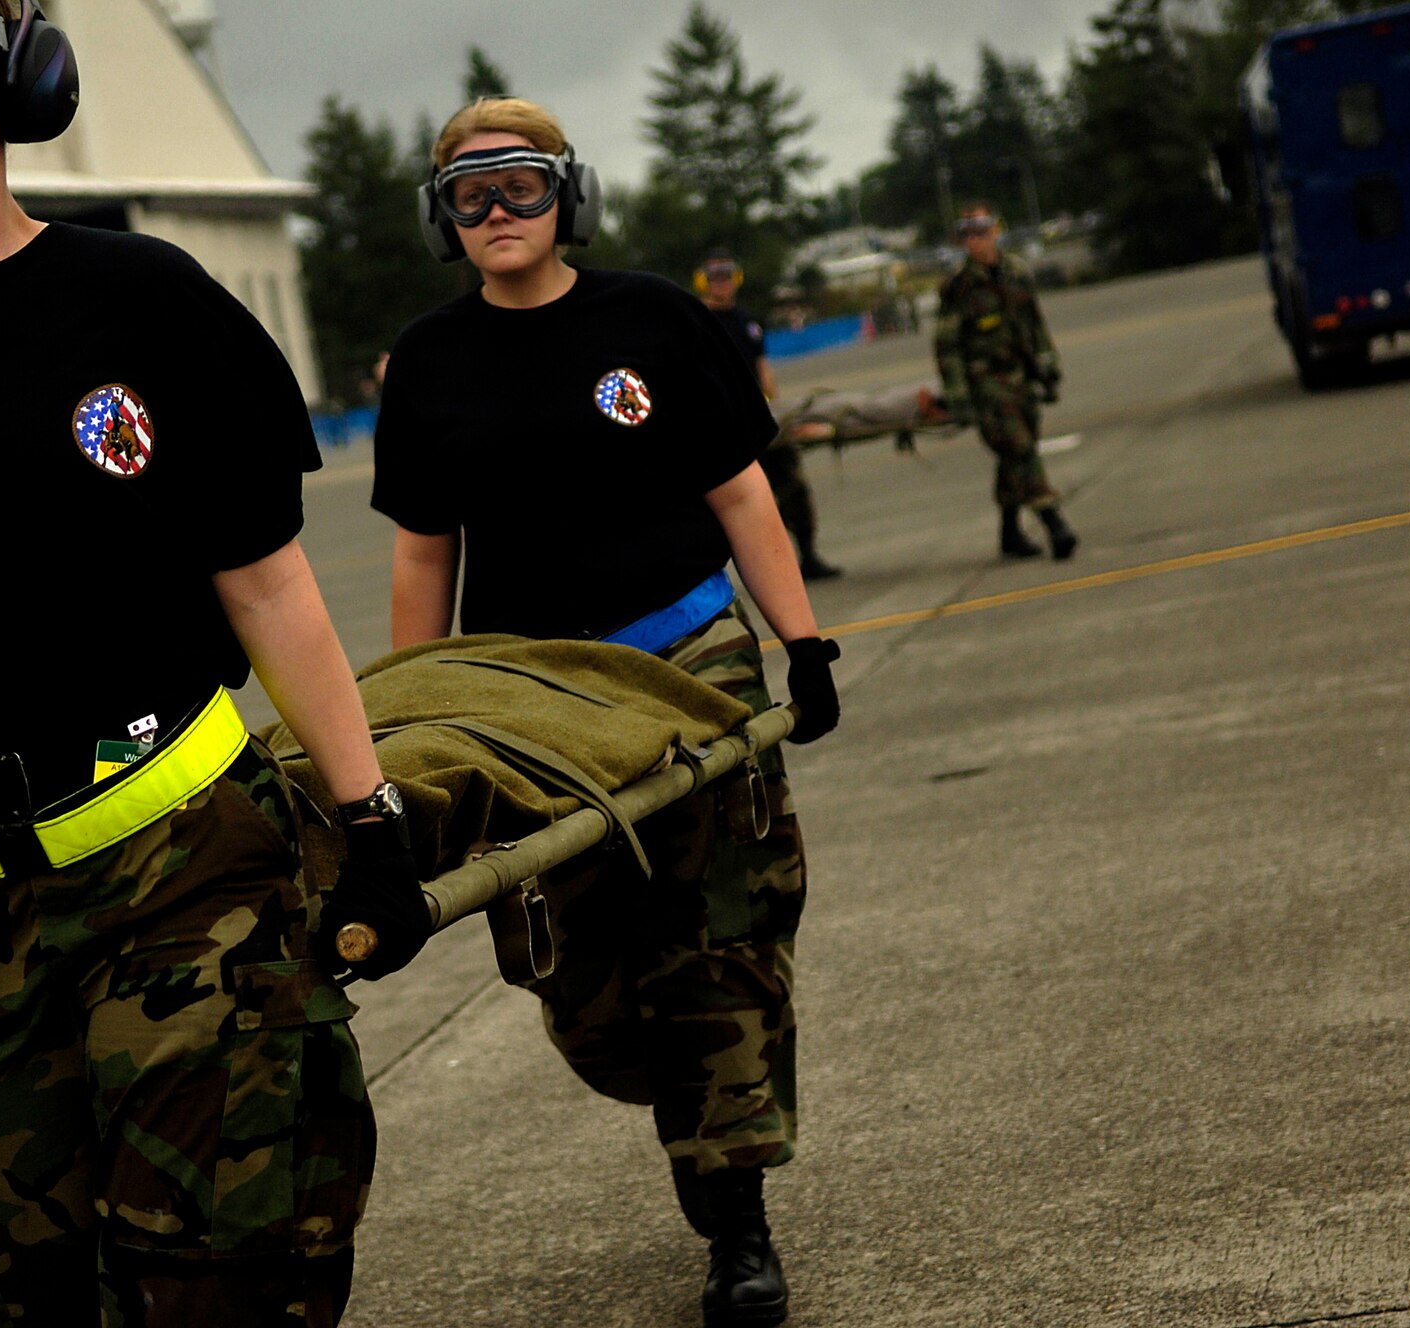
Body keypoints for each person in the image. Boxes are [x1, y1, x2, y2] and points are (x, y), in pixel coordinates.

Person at [0, 3, 430, 1323]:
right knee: (20, 1291)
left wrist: (367, 816)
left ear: (22, 75)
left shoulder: (149, 303)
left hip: (184, 854)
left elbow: (269, 583)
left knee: (227, 1267)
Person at [372, 97, 842, 1328]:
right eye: (469, 194)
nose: (497, 214)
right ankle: (697, 1119)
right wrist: (401, 735)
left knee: (719, 949)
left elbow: (739, 495)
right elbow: (423, 560)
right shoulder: (426, 361)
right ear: (442, 217)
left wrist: (803, 641)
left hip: (688, 669)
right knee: (582, 991)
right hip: (529, 711)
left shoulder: (653, 318)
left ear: (566, 196)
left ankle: (734, 1222)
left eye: (522, 186)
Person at [933, 202, 1080, 560]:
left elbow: (1034, 323)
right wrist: (958, 395)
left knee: (1016, 453)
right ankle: (1054, 523)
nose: (974, 242)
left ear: (995, 232)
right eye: (967, 236)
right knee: (1020, 448)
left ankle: (1010, 533)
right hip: (986, 384)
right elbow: (947, 345)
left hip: (1020, 377)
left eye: (980, 233)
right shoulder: (959, 286)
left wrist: (1047, 362)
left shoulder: (1016, 272)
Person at [695, 251, 842, 581]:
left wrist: (770, 405)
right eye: (715, 276)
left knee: (792, 486)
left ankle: (808, 555)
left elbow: (762, 369)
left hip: (759, 419)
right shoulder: (697, 320)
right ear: (703, 281)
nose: (722, 282)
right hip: (724, 425)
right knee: (730, 504)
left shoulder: (748, 320)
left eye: (727, 275)